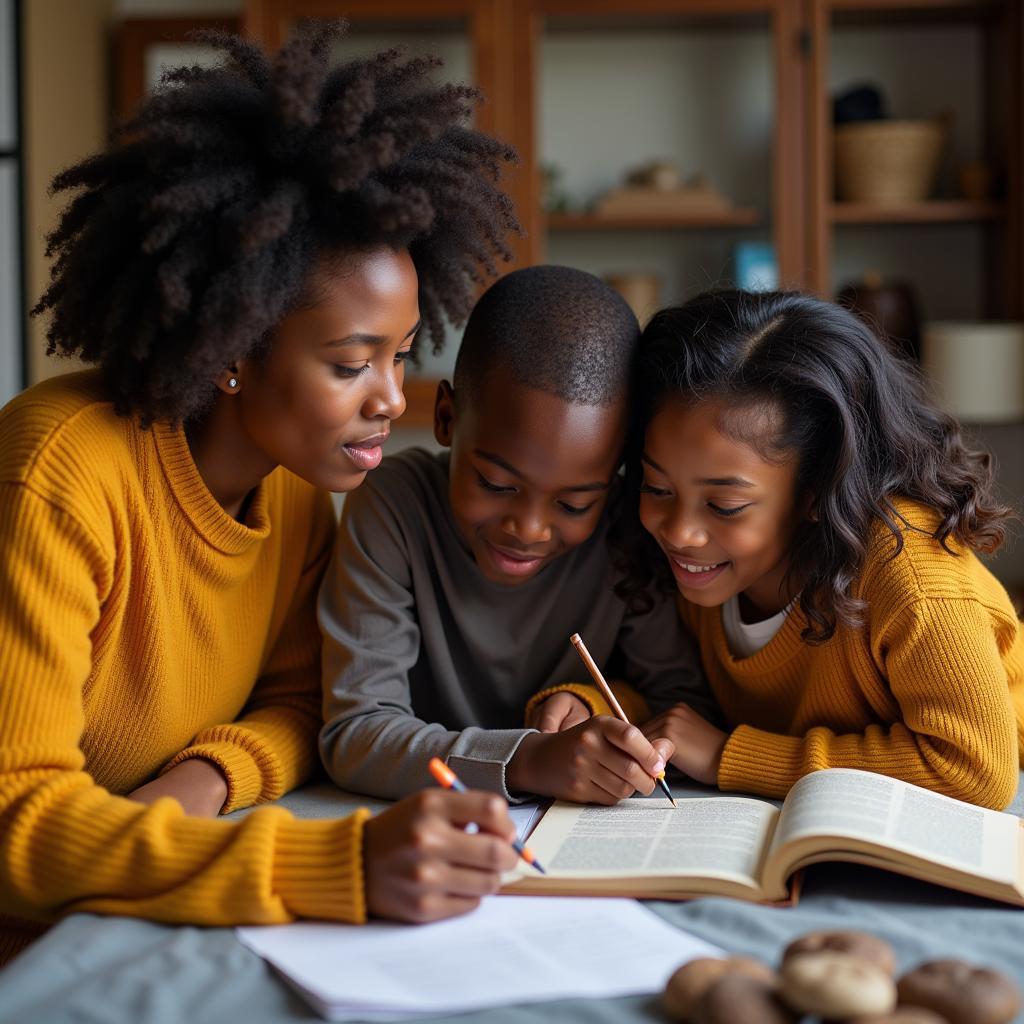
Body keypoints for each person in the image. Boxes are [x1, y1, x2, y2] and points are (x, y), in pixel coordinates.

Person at [0, 24, 522, 965]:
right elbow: (15, 827)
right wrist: (336, 863)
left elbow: (294, 707)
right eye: (351, 363)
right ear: (236, 351)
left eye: (401, 357)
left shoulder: (294, 496)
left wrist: (202, 780)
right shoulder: (60, 475)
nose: (394, 400)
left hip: (152, 916)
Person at [538, 288, 1023, 810]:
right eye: (657, 489)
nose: (679, 532)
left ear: (816, 490)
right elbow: (681, 700)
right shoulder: (695, 561)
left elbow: (975, 771)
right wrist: (595, 710)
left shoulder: (914, 574)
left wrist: (732, 753)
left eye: (723, 504)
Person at [319, 265, 712, 806]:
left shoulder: (628, 528)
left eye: (575, 503)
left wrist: (594, 706)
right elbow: (356, 735)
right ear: (447, 419)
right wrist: (527, 760)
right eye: (496, 483)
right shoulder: (394, 505)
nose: (528, 529)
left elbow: (681, 701)